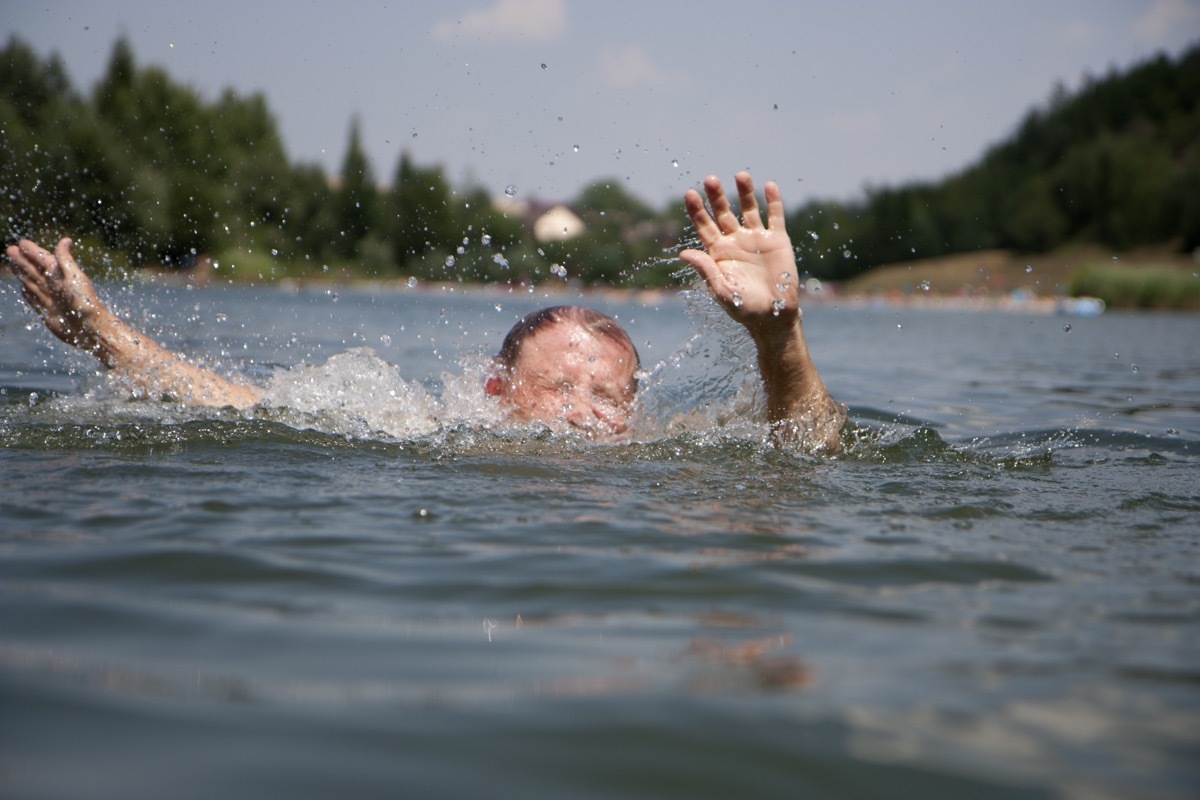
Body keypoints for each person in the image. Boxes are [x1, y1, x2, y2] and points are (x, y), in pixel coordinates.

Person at [6, 172, 846, 453]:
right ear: (492, 391)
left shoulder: (660, 457)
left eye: (609, 400)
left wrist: (781, 339)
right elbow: (231, 405)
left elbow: (810, 447)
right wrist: (101, 332)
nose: (585, 415)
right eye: (558, 389)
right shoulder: (423, 427)